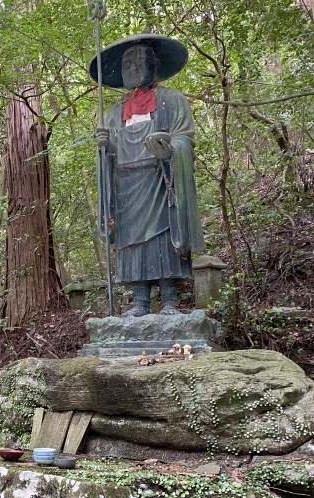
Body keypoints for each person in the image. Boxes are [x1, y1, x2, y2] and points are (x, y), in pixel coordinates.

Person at [90, 34, 204, 316]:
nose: (130, 67)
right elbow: (110, 154)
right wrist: (104, 148)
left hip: (160, 181)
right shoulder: (114, 113)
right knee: (131, 241)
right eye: (125, 63)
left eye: (136, 61)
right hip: (126, 186)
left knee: (163, 238)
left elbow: (185, 138)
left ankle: (169, 299)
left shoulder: (171, 100)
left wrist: (169, 148)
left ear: (152, 65)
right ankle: (139, 300)